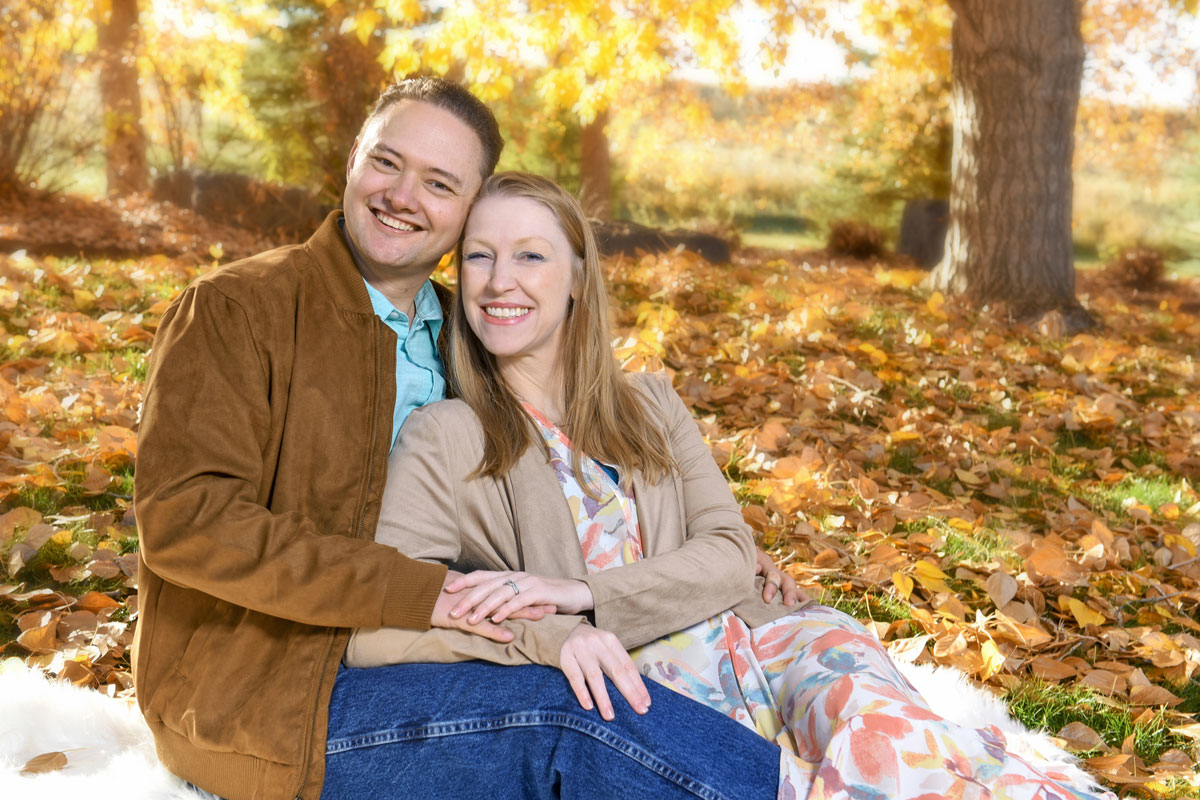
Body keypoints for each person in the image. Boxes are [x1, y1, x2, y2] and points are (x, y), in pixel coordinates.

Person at [133, 77, 800, 800]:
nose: (401, 196)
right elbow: (186, 522)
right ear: (353, 160)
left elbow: (562, 467)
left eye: (439, 183)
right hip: (273, 692)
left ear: (469, 212)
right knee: (572, 716)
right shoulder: (237, 309)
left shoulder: (477, 333)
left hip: (452, 646)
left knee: (620, 697)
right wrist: (427, 594)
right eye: (386, 162)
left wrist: (712, 551)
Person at [349, 172, 1117, 800]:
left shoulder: (650, 401)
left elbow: (729, 552)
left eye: (530, 256)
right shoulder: (446, 435)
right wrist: (551, 633)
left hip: (769, 637)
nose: (499, 282)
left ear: (578, 277)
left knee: (893, 739)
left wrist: (578, 592)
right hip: (655, 692)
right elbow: (380, 627)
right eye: (479, 257)